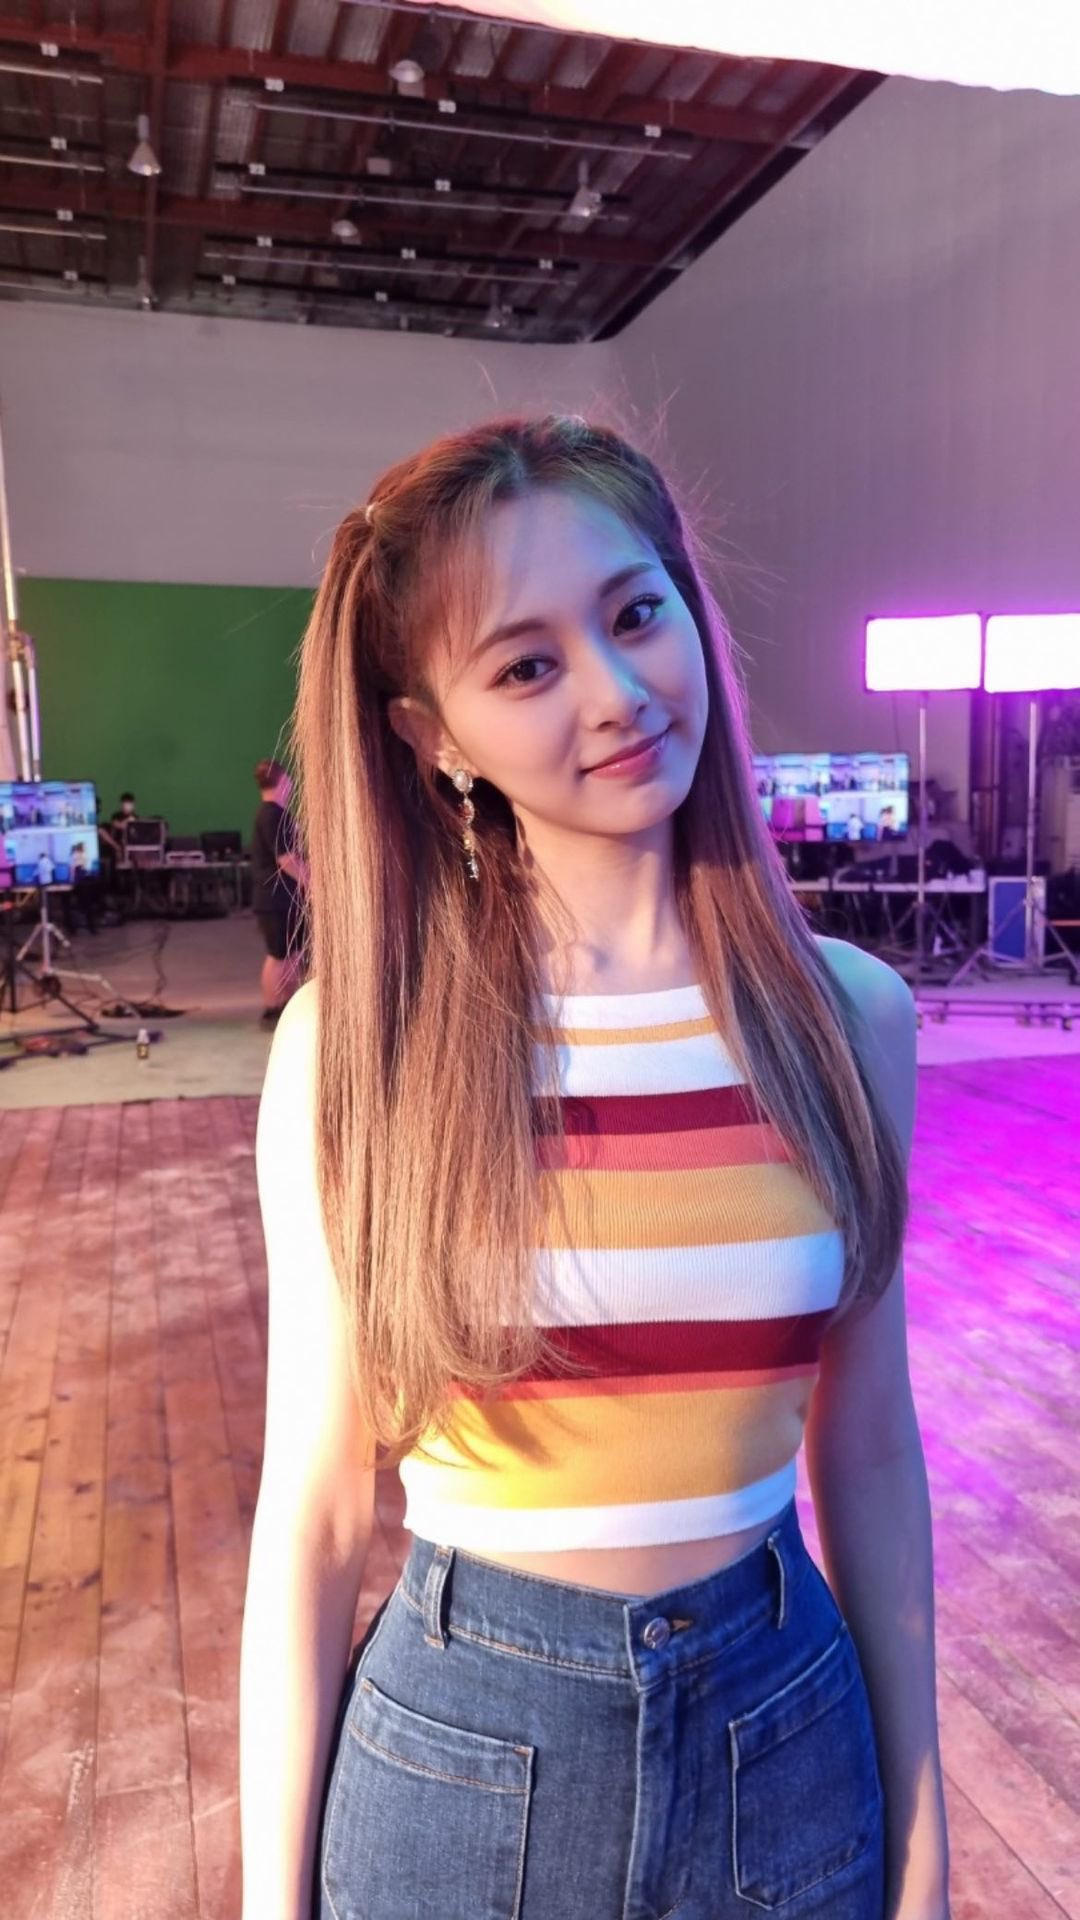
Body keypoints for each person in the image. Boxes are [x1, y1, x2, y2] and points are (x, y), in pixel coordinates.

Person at [241, 417, 950, 1920]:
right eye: (525, 666)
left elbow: (873, 1454)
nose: (618, 692)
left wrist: (926, 1840)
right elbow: (315, 1514)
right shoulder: (360, 1047)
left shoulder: (849, 1020)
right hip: (462, 1769)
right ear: (431, 735)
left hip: (787, 1741)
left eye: (636, 614)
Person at [251, 758, 306, 1023]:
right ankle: (272, 1006)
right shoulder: (274, 815)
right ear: (284, 781)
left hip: (281, 897)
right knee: (279, 954)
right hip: (275, 898)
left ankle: (285, 1002)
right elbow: (286, 859)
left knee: (291, 953)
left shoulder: (272, 814)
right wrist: (310, 881)